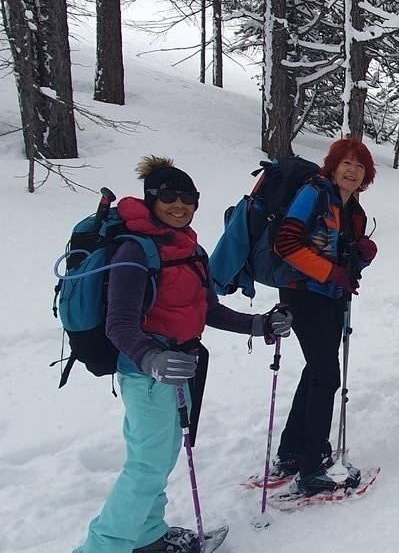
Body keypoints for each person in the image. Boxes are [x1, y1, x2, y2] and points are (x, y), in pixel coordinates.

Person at [76, 156, 292, 553]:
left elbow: (208, 309)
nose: (179, 205)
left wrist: (258, 324)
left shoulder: (190, 248)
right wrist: (151, 359)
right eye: (169, 196)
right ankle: (102, 547)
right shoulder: (134, 251)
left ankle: (147, 535)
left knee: (160, 458)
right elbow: (118, 323)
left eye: (187, 197)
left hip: (181, 367)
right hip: (148, 375)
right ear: (151, 199)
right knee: (146, 465)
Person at [268, 137, 378, 494]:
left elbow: (344, 261)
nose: (352, 171)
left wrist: (361, 258)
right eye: (346, 163)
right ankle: (312, 467)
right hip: (303, 293)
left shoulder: (353, 210)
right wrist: (332, 273)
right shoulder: (312, 194)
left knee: (317, 370)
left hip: (330, 296)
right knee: (326, 375)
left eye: (359, 166)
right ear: (333, 166)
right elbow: (285, 244)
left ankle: (293, 452)